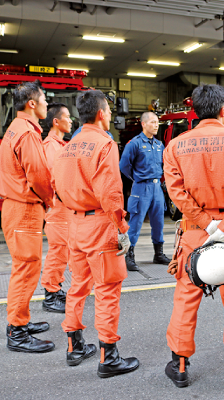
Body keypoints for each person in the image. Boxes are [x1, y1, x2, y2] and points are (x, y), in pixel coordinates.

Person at [163, 84, 224, 392]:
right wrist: (223, 227)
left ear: (195, 110)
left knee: (185, 299)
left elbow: (177, 193)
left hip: (194, 233)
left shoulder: (175, 147)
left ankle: (179, 367)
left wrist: (206, 225)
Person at [51, 90, 139, 376]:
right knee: (107, 290)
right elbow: (110, 193)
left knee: (78, 285)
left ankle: (74, 346)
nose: (111, 116)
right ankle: (109, 357)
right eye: (110, 112)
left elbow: (58, 188)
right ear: (101, 113)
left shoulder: (69, 145)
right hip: (101, 226)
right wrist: (122, 228)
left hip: (75, 224)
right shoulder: (104, 144)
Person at [0, 80, 56, 353]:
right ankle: (17, 332)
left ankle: (19, 320)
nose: (47, 104)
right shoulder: (28, 134)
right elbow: (39, 176)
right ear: (32, 103)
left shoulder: (14, 128)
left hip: (15, 207)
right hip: (25, 209)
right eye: (44, 99)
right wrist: (51, 200)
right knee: (26, 269)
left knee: (22, 269)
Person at [119, 112, 171, 271]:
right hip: (141, 187)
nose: (156, 125)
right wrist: (136, 178)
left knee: (158, 222)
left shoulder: (159, 144)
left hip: (156, 188)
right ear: (144, 124)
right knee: (135, 223)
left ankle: (158, 254)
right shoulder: (134, 144)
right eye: (153, 122)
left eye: (157, 123)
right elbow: (123, 166)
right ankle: (129, 255)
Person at [41, 103, 73, 314]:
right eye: (67, 117)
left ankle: (56, 288)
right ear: (56, 121)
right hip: (58, 208)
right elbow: (57, 181)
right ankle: (50, 294)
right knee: (58, 251)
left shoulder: (59, 145)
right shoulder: (51, 146)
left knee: (63, 251)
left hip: (64, 208)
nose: (71, 120)